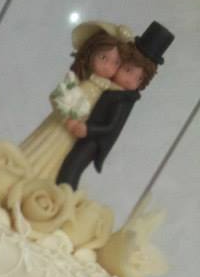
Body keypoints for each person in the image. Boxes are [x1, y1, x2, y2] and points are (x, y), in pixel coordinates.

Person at [56, 22, 174, 189]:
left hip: (95, 141)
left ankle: (65, 195)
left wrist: (88, 129)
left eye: (139, 78)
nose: (130, 80)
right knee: (64, 163)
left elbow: (111, 126)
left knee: (71, 168)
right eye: (128, 70)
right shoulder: (108, 87)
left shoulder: (124, 99)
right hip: (83, 131)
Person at [19, 21, 131, 182]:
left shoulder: (109, 92)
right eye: (103, 58)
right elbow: (58, 97)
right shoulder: (78, 81)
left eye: (116, 63)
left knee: (57, 159)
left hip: (73, 137)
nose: (108, 66)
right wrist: (67, 119)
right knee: (42, 148)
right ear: (91, 53)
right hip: (59, 127)